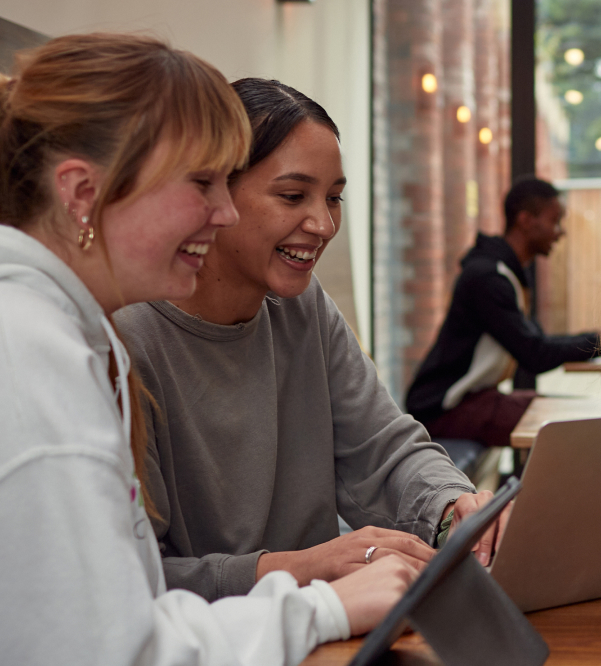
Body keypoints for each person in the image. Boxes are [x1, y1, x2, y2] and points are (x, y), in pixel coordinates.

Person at [0, 34, 413, 664]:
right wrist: (320, 605)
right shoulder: (35, 359)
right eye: (202, 182)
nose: (223, 213)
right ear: (82, 193)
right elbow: (118, 649)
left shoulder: (65, 335)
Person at [114, 78, 495, 603]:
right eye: (293, 196)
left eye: (334, 198)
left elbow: (382, 447)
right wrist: (303, 567)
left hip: (327, 626)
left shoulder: (303, 304)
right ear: (215, 194)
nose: (322, 224)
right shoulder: (128, 338)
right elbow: (137, 579)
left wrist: (453, 505)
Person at [406, 178, 600, 449]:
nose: (560, 232)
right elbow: (535, 354)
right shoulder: (489, 278)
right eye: (555, 221)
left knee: (576, 415)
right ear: (526, 220)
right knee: (572, 426)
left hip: (476, 399)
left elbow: (536, 342)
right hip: (444, 408)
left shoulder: (506, 274)